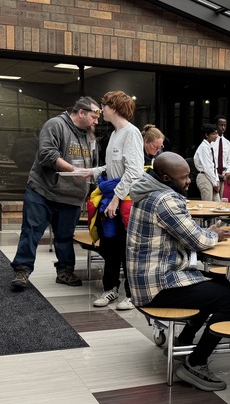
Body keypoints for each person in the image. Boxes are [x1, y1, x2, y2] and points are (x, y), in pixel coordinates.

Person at [127, 153, 230, 392]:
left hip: (144, 281)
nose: (188, 181)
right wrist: (213, 235)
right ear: (165, 177)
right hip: (158, 286)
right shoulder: (165, 199)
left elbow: (183, 231)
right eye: (183, 178)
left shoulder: (146, 192)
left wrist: (205, 233)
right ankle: (196, 363)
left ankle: (184, 341)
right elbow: (197, 241)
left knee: (220, 285)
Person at [10, 97, 100, 291]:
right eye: (93, 116)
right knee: (31, 231)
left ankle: (65, 272)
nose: (96, 122)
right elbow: (46, 154)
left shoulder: (90, 136)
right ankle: (22, 270)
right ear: (81, 112)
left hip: (72, 196)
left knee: (65, 236)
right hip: (43, 191)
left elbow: (93, 165)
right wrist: (74, 171)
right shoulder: (56, 125)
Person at [87, 90, 145, 310]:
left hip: (125, 200)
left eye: (105, 105)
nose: (102, 110)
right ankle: (110, 289)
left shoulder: (131, 133)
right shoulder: (114, 134)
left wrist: (115, 200)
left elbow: (134, 171)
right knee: (110, 246)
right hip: (113, 196)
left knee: (127, 248)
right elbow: (113, 168)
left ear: (115, 108)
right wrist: (91, 171)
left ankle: (132, 294)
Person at [193, 123, 221, 201]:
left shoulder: (210, 146)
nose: (216, 136)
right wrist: (215, 183)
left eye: (217, 133)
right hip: (204, 176)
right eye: (214, 134)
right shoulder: (203, 147)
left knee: (217, 203)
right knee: (208, 204)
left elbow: (213, 165)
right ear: (207, 135)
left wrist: (217, 180)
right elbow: (207, 167)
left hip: (211, 177)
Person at [214, 114, 230, 190]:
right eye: (221, 125)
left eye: (225, 125)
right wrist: (215, 174)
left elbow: (229, 160)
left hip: (223, 175)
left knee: (222, 199)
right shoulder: (211, 141)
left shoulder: (227, 143)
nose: (223, 128)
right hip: (213, 174)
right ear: (216, 125)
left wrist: (227, 173)